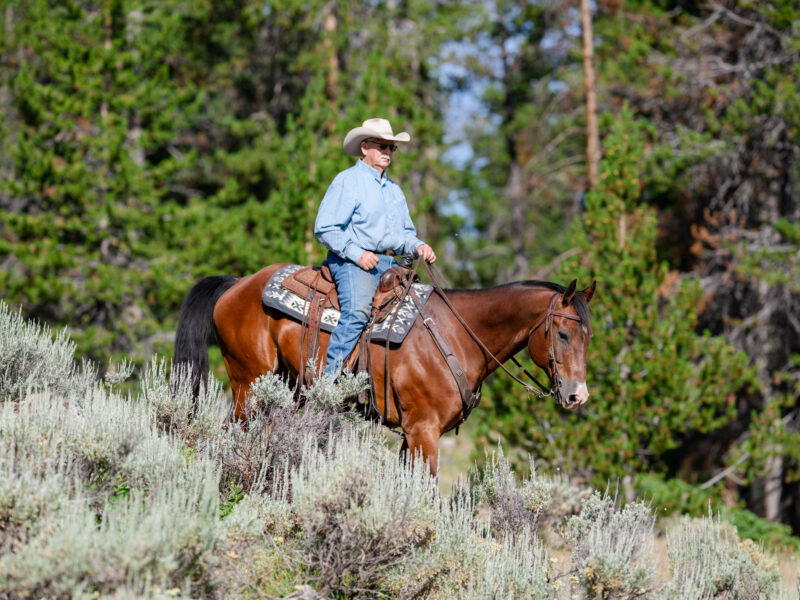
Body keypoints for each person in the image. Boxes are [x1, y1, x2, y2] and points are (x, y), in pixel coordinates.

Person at [315, 118, 436, 378]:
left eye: (392, 148)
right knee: (357, 312)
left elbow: (404, 235)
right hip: (350, 261)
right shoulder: (347, 181)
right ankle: (326, 386)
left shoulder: (394, 191)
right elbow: (325, 228)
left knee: (422, 312)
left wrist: (419, 246)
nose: (388, 152)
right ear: (364, 147)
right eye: (382, 146)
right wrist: (358, 254)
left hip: (390, 264)